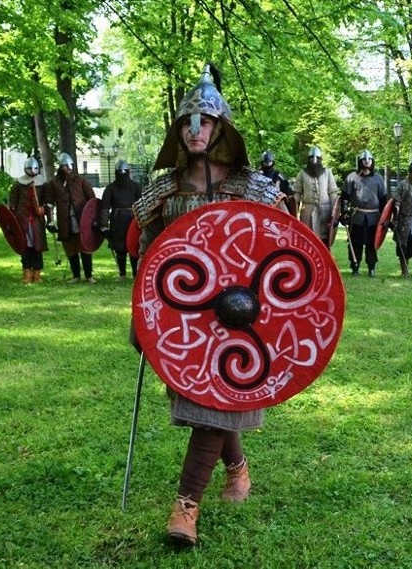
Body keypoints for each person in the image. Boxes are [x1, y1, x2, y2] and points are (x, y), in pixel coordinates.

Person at [131, 63, 287, 547]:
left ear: (222, 129)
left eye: (205, 121)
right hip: (186, 314)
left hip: (242, 315)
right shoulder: (166, 189)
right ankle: (238, 469)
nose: (194, 130)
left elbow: (285, 248)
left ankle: (185, 509)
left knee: (214, 407)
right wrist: (140, 315)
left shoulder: (253, 187)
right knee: (209, 400)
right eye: (186, 122)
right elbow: (148, 255)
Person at [46, 152, 97, 283]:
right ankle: (76, 276)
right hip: (65, 220)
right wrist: (50, 221)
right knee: (70, 248)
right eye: (66, 166)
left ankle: (88, 276)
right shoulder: (54, 183)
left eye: (71, 165)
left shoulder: (80, 180)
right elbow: (49, 203)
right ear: (60, 167)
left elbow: (92, 200)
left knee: (84, 246)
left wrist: (93, 219)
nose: (69, 168)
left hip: (81, 219)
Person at [341, 149, 387, 277]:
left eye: (369, 159)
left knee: (371, 243)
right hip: (357, 217)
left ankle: (371, 267)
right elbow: (345, 197)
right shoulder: (352, 178)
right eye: (364, 159)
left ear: (372, 162)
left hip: (373, 218)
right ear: (360, 162)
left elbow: (383, 200)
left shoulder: (378, 179)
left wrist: (385, 217)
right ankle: (355, 266)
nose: (367, 161)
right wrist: (344, 213)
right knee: (355, 243)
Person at [8, 157, 50, 283]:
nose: (32, 170)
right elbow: (13, 203)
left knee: (37, 247)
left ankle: (37, 273)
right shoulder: (18, 185)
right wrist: (11, 220)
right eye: (30, 168)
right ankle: (26, 272)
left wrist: (43, 209)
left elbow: (48, 201)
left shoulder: (43, 185)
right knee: (24, 246)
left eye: (35, 168)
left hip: (37, 221)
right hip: (22, 220)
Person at [100, 160, 142, 279]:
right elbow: (105, 207)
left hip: (133, 221)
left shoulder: (136, 187)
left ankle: (136, 274)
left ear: (128, 172)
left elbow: (142, 205)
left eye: (124, 171)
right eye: (120, 171)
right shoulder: (110, 188)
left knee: (134, 247)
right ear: (116, 173)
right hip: (117, 222)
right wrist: (103, 225)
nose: (122, 173)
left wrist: (143, 222)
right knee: (120, 248)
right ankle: (122, 274)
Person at [293, 145, 338, 247]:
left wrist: (334, 213)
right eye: (312, 158)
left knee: (324, 240)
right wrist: (293, 211)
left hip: (325, 212)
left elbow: (333, 193)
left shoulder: (327, 173)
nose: (314, 160)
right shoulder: (302, 174)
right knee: (308, 240)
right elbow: (297, 193)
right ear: (308, 159)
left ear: (320, 159)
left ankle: (324, 262)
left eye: (317, 158)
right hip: (307, 212)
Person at [260, 150, 295, 215]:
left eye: (269, 162)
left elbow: (288, 194)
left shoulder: (279, 176)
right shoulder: (258, 176)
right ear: (262, 162)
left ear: (272, 162)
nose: (267, 164)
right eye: (265, 162)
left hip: (277, 208)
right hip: (261, 208)